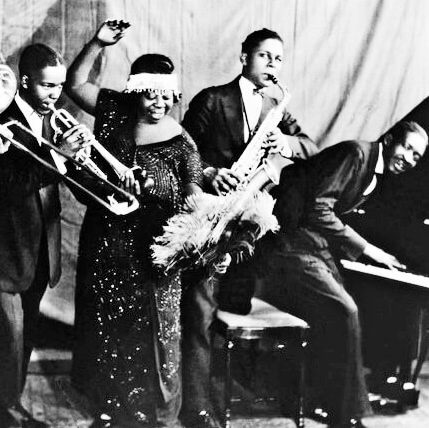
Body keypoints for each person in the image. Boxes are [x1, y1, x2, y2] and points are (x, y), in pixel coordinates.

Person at [64, 21, 203, 428]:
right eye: (149, 94)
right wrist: (97, 43)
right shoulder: (113, 109)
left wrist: (192, 206)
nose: (159, 103)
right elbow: (75, 84)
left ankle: (151, 416)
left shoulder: (183, 141)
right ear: (134, 92)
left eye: (166, 95)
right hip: (107, 242)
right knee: (106, 326)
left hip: (153, 250)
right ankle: (109, 409)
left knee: (152, 333)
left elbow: (194, 191)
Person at [179, 28, 319, 428]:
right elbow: (183, 150)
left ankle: (231, 390)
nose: (273, 65)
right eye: (264, 56)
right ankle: (197, 408)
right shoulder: (212, 99)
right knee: (200, 311)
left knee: (232, 308)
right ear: (244, 58)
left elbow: (310, 145)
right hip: (210, 213)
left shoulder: (276, 106)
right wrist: (210, 172)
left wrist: (284, 143)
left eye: (279, 59)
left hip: (247, 223)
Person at [256, 120, 428, 428]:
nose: (409, 159)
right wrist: (369, 250)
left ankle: (325, 400)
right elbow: (319, 209)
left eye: (417, 156)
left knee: (348, 310)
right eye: (407, 148)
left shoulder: (372, 167)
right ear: (390, 139)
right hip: (291, 247)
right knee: (345, 310)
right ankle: (345, 415)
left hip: (314, 247)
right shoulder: (356, 155)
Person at [0, 43, 91, 428]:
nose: (56, 94)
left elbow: (69, 181)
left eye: (60, 86)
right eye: (47, 86)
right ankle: (6, 415)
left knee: (25, 337)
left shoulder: (56, 120)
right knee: (9, 338)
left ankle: (9, 407)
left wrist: (84, 161)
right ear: (24, 82)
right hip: (0, 250)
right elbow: (5, 187)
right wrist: (60, 157)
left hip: (39, 250)